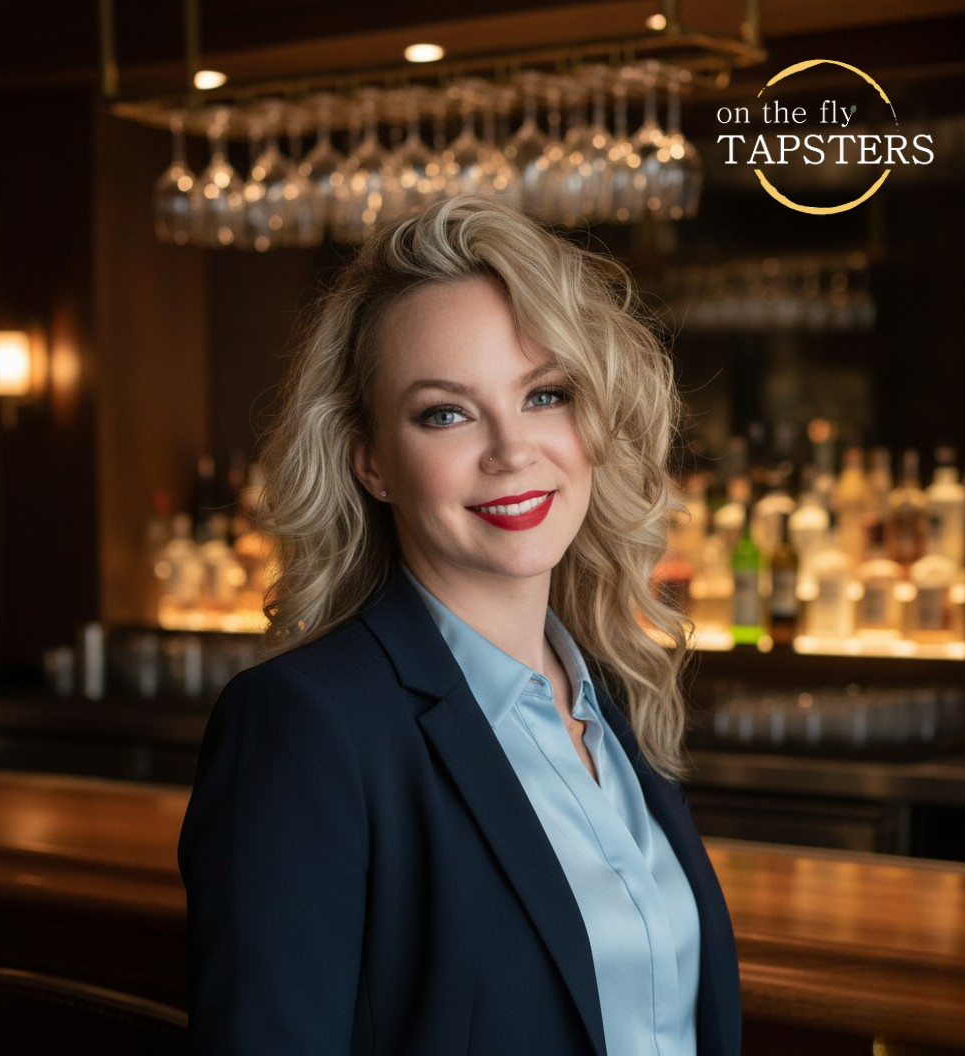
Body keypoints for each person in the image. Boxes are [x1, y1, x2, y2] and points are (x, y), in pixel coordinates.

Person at [179, 194, 740, 1056]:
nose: (512, 450)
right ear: (369, 460)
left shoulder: (610, 692)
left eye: (545, 395)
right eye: (446, 412)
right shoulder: (304, 726)